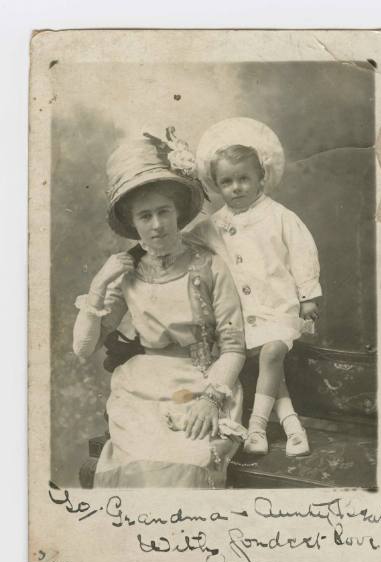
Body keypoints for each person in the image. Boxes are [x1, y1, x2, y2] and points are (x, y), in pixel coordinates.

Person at [73, 128, 246, 488]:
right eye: (145, 216)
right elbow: (82, 348)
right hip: (140, 393)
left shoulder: (210, 265)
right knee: (142, 466)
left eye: (164, 212)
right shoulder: (126, 271)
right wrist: (98, 286)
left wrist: (211, 401)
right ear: (133, 223)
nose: (156, 225)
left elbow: (233, 347)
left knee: (191, 462)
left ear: (178, 213)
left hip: (201, 385)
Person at [185, 118, 322, 457]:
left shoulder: (280, 216)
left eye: (244, 178)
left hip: (277, 304)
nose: (237, 187)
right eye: (227, 182)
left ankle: (257, 427)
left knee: (273, 351)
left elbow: (303, 253)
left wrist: (307, 297)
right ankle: (293, 426)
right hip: (240, 315)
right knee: (267, 364)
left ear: (262, 176)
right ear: (216, 186)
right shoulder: (213, 225)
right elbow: (184, 242)